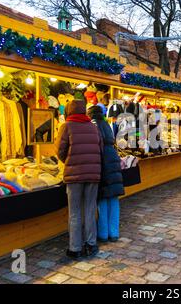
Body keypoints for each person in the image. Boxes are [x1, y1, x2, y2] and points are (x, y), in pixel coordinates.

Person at [56, 100, 103, 259]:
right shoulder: (93, 127)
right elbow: (100, 149)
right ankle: (91, 244)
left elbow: (60, 151)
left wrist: (69, 162)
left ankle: (75, 248)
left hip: (74, 175)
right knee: (90, 209)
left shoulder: (66, 127)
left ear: (68, 111)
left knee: (75, 212)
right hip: (93, 174)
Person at [87, 104, 124, 243]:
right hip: (112, 159)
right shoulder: (106, 124)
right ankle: (113, 233)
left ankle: (103, 233)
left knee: (102, 199)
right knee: (113, 199)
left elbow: (95, 144)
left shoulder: (93, 124)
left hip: (102, 160)